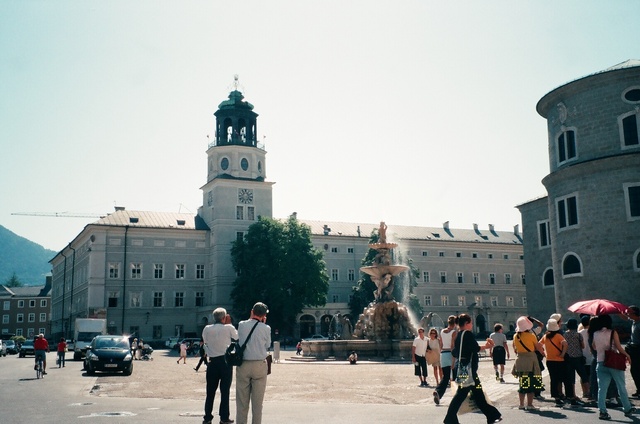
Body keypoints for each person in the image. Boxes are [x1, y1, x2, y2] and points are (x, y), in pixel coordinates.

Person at [443, 313, 502, 424]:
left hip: (462, 368)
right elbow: (475, 348)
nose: (472, 325)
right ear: (466, 323)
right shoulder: (468, 334)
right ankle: (450, 418)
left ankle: (492, 416)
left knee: (476, 393)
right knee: (462, 394)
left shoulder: (459, 335)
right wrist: (488, 346)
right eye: (471, 323)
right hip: (468, 370)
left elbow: (455, 352)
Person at [592, 314, 636, 420]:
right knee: (621, 386)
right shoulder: (612, 332)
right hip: (613, 363)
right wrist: (627, 355)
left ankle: (602, 411)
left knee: (602, 389)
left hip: (600, 362)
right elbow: (619, 347)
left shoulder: (595, 333)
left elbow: (594, 346)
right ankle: (627, 408)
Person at [236, 302, 271, 424]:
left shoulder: (241, 325)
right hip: (259, 364)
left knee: (241, 401)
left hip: (244, 363)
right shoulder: (266, 328)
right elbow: (267, 345)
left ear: (252, 311)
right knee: (257, 403)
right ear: (264, 316)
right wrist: (263, 324)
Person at [202, 307, 238, 424]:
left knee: (210, 391)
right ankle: (224, 417)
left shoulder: (207, 328)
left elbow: (205, 341)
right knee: (225, 390)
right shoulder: (229, 328)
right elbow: (237, 338)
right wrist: (228, 323)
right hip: (225, 361)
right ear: (224, 317)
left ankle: (207, 417)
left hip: (212, 362)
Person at [512, 316, 545, 411]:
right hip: (530, 360)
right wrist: (543, 353)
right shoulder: (531, 335)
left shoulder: (515, 336)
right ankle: (530, 404)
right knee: (531, 384)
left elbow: (515, 348)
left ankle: (521, 404)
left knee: (522, 383)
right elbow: (537, 346)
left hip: (520, 360)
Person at [541, 318, 571, 406]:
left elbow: (538, 345)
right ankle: (569, 396)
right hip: (559, 360)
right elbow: (565, 344)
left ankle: (556, 397)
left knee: (553, 379)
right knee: (565, 378)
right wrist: (562, 353)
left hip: (550, 360)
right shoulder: (558, 336)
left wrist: (544, 353)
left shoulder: (545, 336)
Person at [433, 315, 458, 405]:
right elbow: (452, 346)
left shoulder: (442, 331)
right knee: (454, 376)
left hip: (443, 354)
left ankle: (438, 392)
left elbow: (441, 344)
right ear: (454, 324)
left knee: (445, 376)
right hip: (450, 354)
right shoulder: (454, 332)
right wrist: (453, 358)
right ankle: (457, 396)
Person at [563, 318, 586, 406]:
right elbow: (583, 346)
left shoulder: (564, 335)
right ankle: (587, 393)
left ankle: (573, 394)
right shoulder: (578, 335)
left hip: (568, 358)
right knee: (583, 375)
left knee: (571, 377)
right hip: (578, 357)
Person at [624, 305, 640, 398]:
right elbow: (625, 317)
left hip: (638, 349)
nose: (628, 315)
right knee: (634, 370)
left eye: (629, 313)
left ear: (634, 313)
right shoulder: (634, 321)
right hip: (634, 349)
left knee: (636, 370)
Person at [578, 315, 593, 399]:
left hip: (582, 358)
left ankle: (585, 392)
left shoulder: (579, 333)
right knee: (591, 376)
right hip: (591, 358)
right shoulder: (593, 332)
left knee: (583, 377)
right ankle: (591, 392)